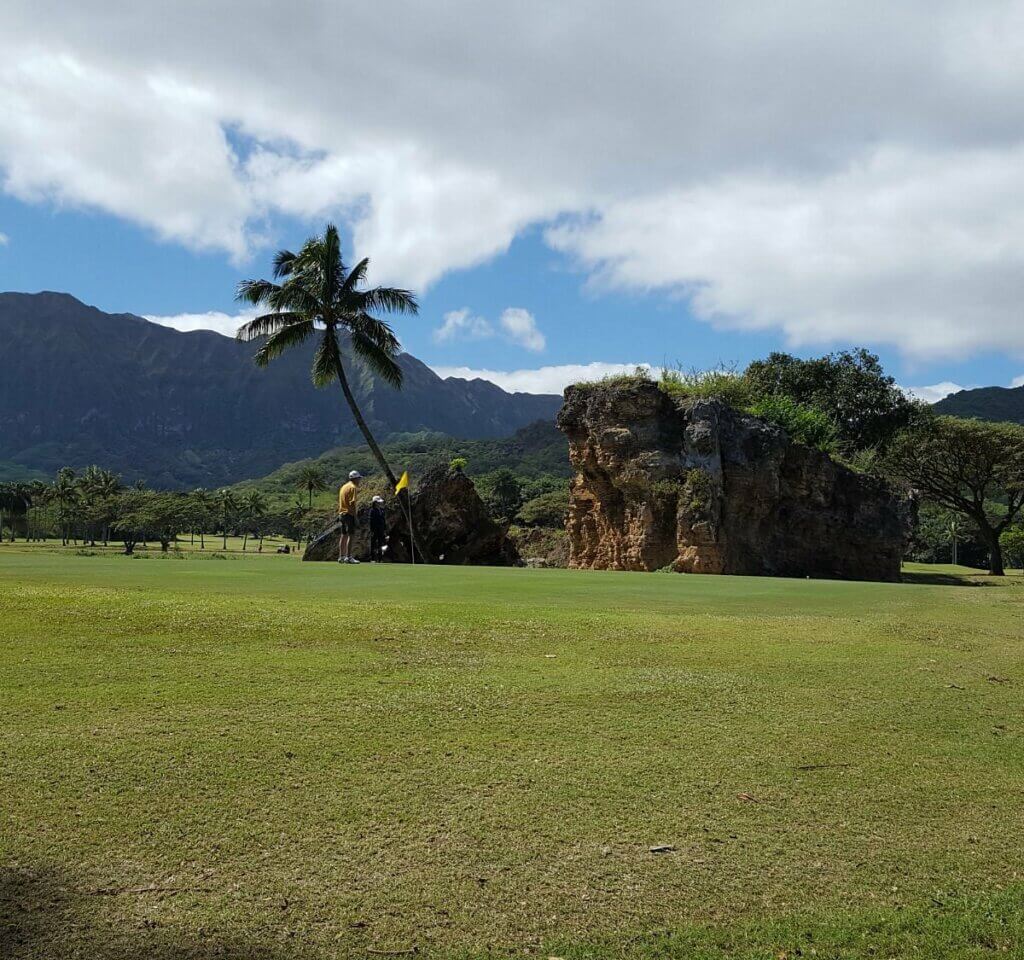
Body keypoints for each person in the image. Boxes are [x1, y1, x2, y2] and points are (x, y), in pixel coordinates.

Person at [337, 470, 362, 564]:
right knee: (351, 535)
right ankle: (349, 557)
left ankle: (341, 557)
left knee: (343, 535)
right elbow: (352, 504)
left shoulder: (344, 486)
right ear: (355, 479)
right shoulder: (353, 487)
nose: (359, 480)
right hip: (349, 514)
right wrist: (355, 517)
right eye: (359, 478)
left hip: (341, 513)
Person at [368, 495, 387, 562]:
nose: (380, 503)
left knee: (380, 543)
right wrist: (372, 530)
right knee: (373, 544)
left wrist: (384, 529)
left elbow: (383, 520)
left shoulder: (381, 510)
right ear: (375, 503)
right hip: (374, 530)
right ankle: (372, 558)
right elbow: (371, 521)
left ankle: (380, 558)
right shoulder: (372, 510)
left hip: (381, 530)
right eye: (378, 502)